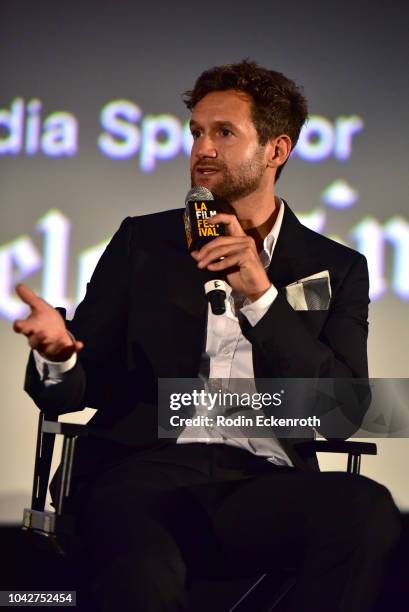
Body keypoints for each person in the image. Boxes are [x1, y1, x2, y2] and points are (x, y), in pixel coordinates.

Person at [14, 60, 401, 612]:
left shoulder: (336, 266)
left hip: (261, 482)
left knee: (365, 511)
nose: (203, 148)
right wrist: (60, 357)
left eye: (224, 133)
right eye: (197, 131)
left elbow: (342, 410)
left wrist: (262, 296)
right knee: (142, 570)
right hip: (143, 475)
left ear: (277, 150)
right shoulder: (143, 242)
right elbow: (81, 386)